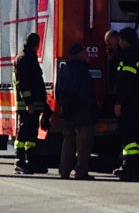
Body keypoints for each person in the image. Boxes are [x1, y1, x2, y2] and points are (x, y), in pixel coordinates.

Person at [112, 27, 139, 182]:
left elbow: (124, 83)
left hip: (128, 103)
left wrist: (119, 102)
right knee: (138, 137)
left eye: (120, 40)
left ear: (124, 40)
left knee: (128, 137)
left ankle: (128, 167)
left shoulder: (127, 58)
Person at [56, 44, 98, 180]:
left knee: (68, 141)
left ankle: (64, 170)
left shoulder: (63, 69)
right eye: (84, 52)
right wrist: (92, 107)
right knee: (83, 143)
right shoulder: (82, 69)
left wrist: (63, 106)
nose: (86, 55)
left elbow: (58, 90)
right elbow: (86, 92)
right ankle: (81, 172)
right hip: (82, 113)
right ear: (78, 54)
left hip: (68, 111)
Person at [13, 33, 51, 174]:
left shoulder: (30, 58)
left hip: (34, 104)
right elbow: (22, 83)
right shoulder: (23, 59)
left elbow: (36, 83)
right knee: (23, 133)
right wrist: (28, 103)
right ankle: (20, 162)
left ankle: (31, 161)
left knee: (32, 134)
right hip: (26, 105)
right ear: (36, 44)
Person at [104, 29, 122, 117]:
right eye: (106, 44)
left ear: (117, 40)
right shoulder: (111, 54)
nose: (108, 47)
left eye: (109, 44)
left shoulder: (123, 55)